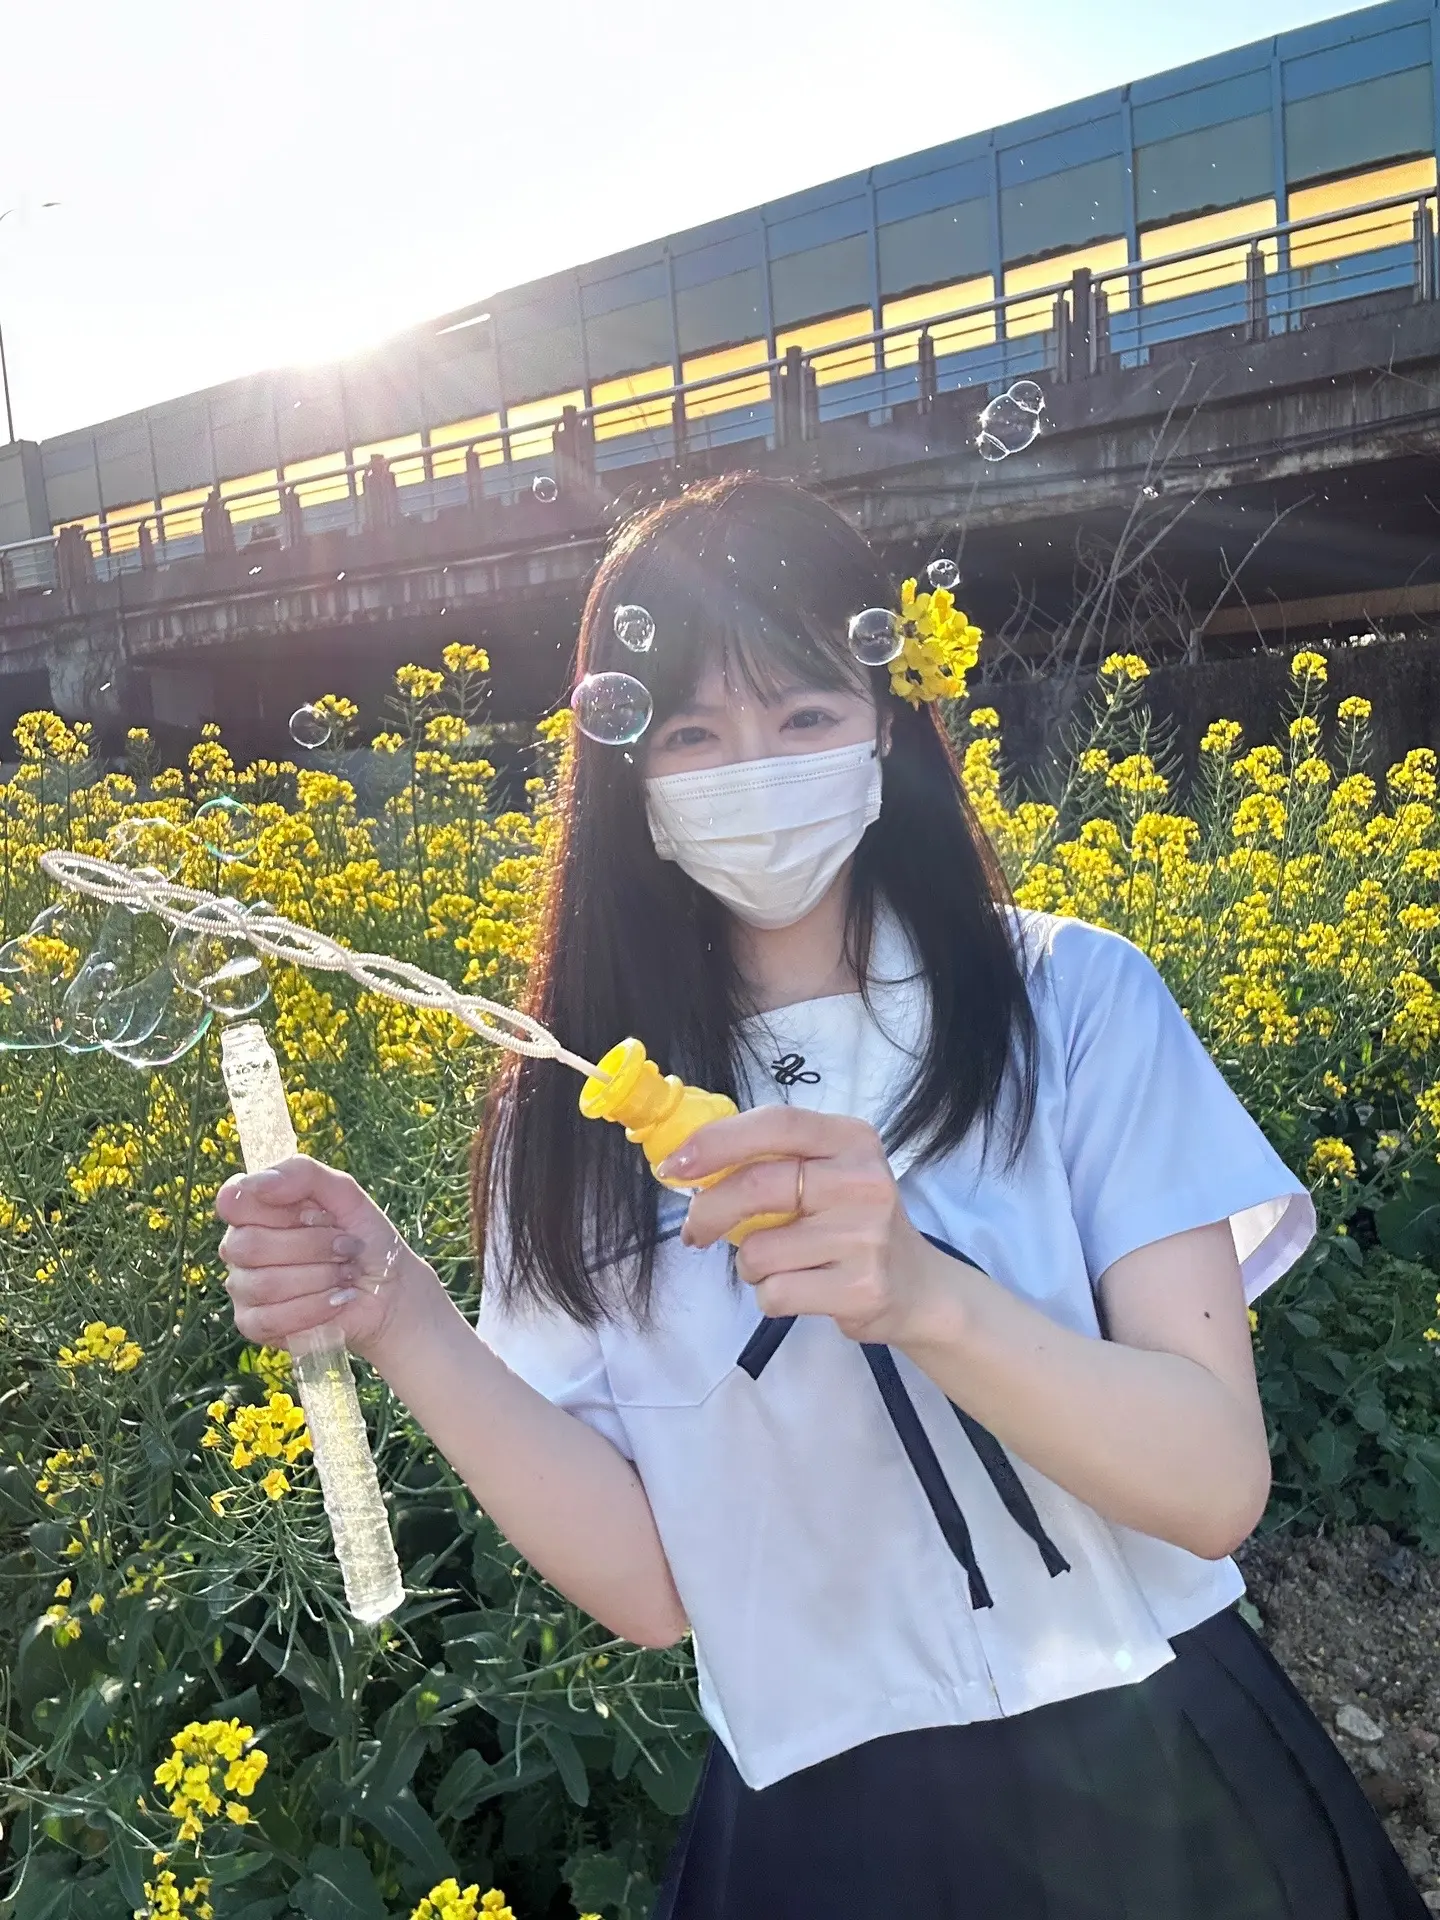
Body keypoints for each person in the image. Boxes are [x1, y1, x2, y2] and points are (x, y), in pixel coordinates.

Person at [216, 475, 1427, 1919]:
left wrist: (927, 1298)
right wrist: (402, 1317)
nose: (754, 770)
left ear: (889, 721)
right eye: (691, 733)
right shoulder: (572, 1117)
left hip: (1170, 1765)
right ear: (627, 774)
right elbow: (652, 1592)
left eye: (802, 714)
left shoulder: (1074, 1000)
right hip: (830, 1827)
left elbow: (1215, 1486)